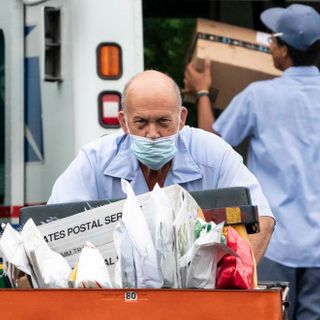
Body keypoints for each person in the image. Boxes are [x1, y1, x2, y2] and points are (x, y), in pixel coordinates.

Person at [48, 69, 275, 263]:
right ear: (123, 122)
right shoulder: (95, 160)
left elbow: (262, 219)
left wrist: (234, 278)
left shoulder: (213, 154)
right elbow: (52, 227)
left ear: (182, 118)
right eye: (141, 122)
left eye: (163, 122)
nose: (153, 134)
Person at [183, 4, 320, 320]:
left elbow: (211, 142)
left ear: (284, 52)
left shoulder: (259, 96)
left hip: (276, 244)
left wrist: (202, 91)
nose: (269, 45)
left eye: (273, 40)